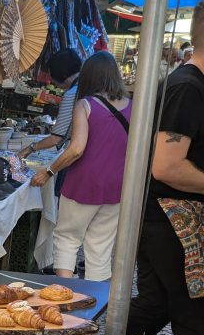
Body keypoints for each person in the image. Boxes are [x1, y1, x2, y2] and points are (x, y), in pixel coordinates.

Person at [89, 0, 204, 335]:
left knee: (161, 301)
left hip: (175, 213)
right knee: (199, 300)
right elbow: (167, 165)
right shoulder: (187, 87)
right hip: (171, 212)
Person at [30, 51, 131, 282]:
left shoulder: (85, 105)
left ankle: (65, 297)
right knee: (100, 249)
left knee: (67, 239)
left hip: (83, 184)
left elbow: (76, 148)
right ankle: (95, 307)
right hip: (118, 187)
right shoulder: (134, 107)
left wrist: (49, 171)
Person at [18, 49, 82, 160]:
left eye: (51, 75)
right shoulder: (86, 86)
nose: (51, 80)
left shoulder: (72, 94)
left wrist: (30, 149)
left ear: (62, 73)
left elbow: (56, 138)